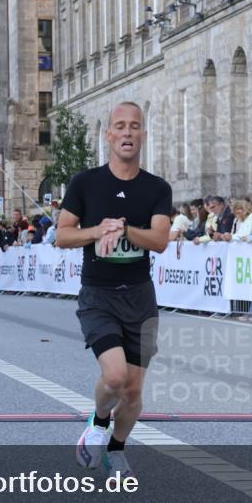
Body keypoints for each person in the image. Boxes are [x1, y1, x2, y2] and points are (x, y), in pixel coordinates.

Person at [56, 101, 171, 480]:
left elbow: (158, 240)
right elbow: (62, 235)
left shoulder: (157, 188)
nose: (127, 132)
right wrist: (97, 230)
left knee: (135, 392)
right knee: (117, 377)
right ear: (108, 135)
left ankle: (117, 449)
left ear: (143, 135)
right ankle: (99, 420)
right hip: (99, 295)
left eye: (134, 126)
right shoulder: (85, 183)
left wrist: (123, 230)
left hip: (140, 297)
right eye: (119, 126)